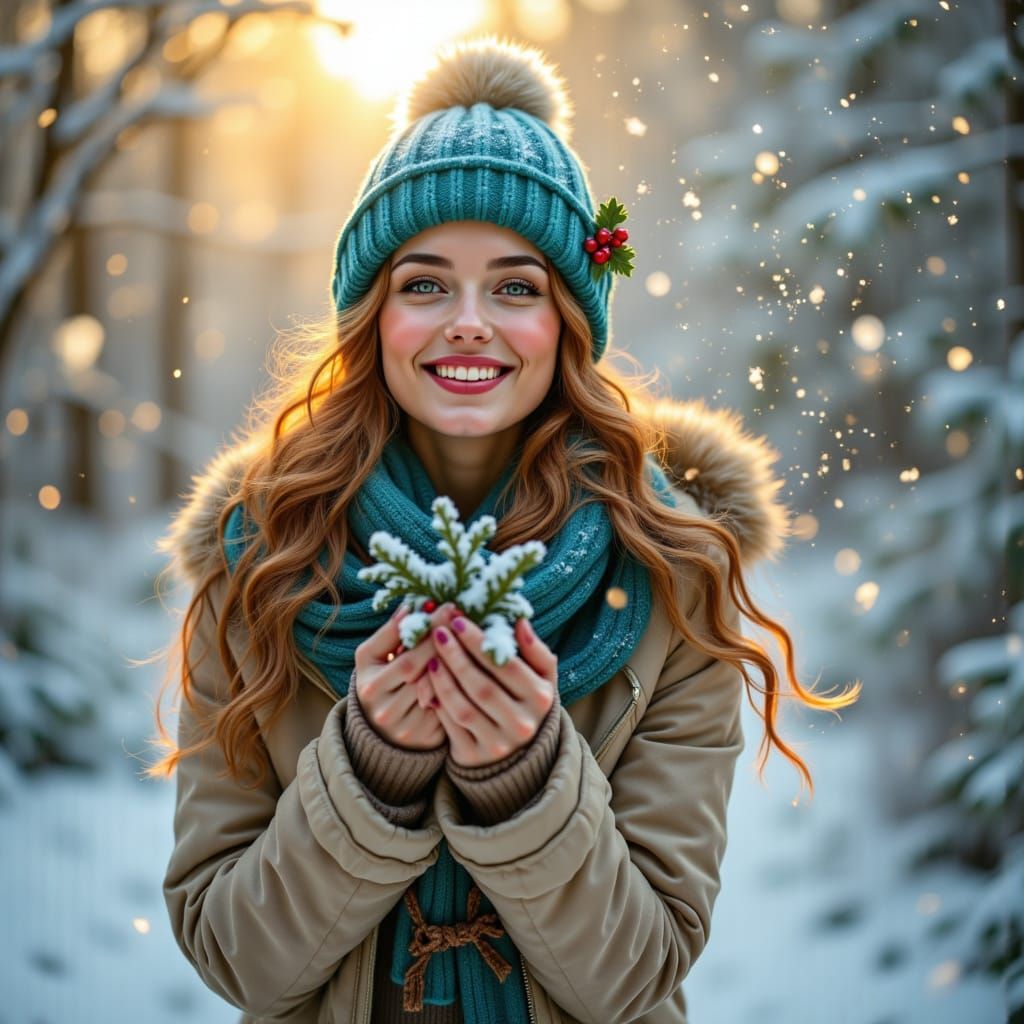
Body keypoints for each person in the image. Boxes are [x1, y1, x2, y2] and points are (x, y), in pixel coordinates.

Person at [148, 34, 859, 1024]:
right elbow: (237, 958)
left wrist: (524, 782)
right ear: (373, 318)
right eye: (425, 282)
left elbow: (635, 975)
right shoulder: (263, 561)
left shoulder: (669, 574)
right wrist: (369, 768)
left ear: (570, 317)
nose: (469, 321)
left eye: (516, 286)